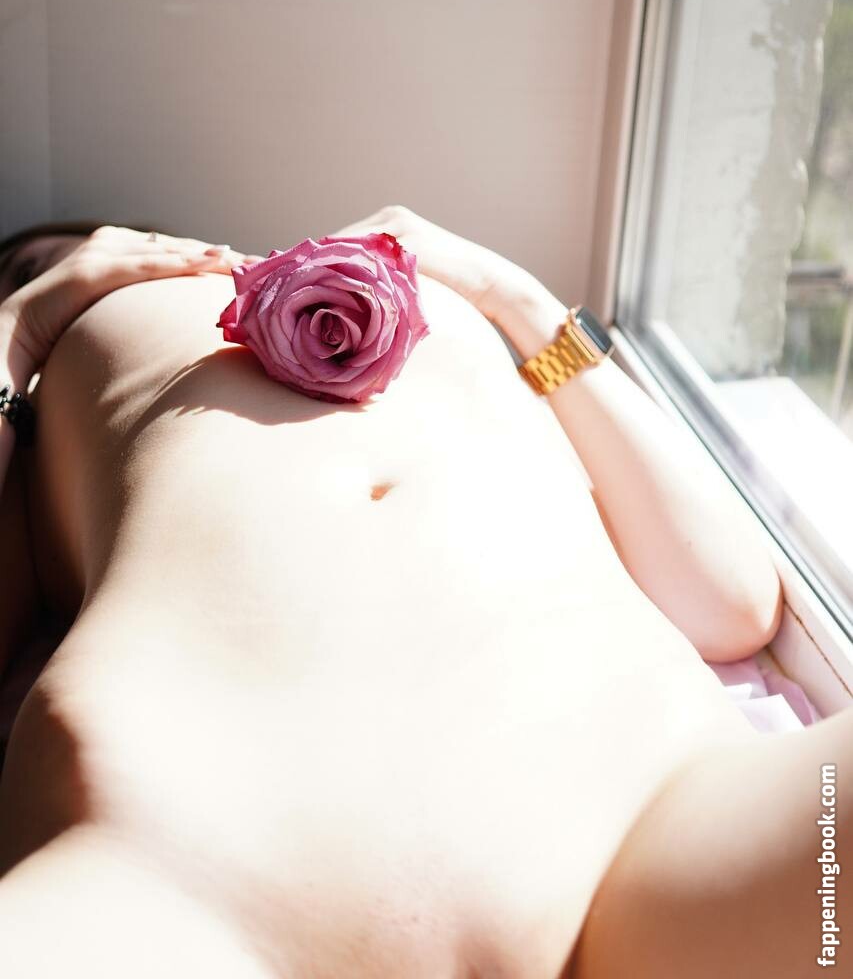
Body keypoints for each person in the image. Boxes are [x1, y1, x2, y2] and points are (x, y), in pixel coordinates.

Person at [0, 207, 848, 978]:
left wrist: (511, 296)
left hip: (634, 809)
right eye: (28, 266)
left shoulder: (463, 333)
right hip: (194, 845)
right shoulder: (35, 412)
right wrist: (20, 328)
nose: (95, 257)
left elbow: (730, 603)